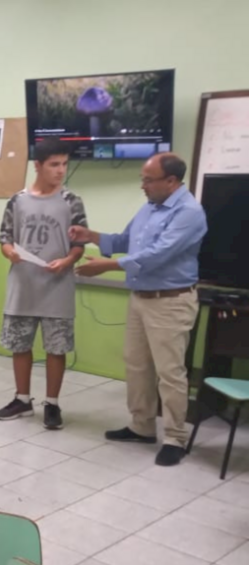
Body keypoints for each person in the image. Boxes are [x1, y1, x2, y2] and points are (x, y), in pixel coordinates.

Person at [72, 152, 207, 467]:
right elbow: (125, 239)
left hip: (171, 301)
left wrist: (109, 266)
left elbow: (159, 254)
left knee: (170, 373)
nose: (143, 186)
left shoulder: (189, 212)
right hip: (141, 298)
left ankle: (175, 437)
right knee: (137, 365)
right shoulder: (150, 207)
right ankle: (142, 426)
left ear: (171, 181)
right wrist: (91, 236)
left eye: (148, 179)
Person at [0, 139, 88, 430]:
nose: (61, 170)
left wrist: (68, 260)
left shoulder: (72, 201)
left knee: (55, 349)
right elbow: (5, 238)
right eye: (54, 164)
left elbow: (79, 244)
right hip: (23, 286)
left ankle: (52, 403)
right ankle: (22, 399)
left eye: (64, 164)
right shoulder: (17, 200)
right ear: (38, 166)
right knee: (20, 345)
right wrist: (10, 252)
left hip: (57, 287)